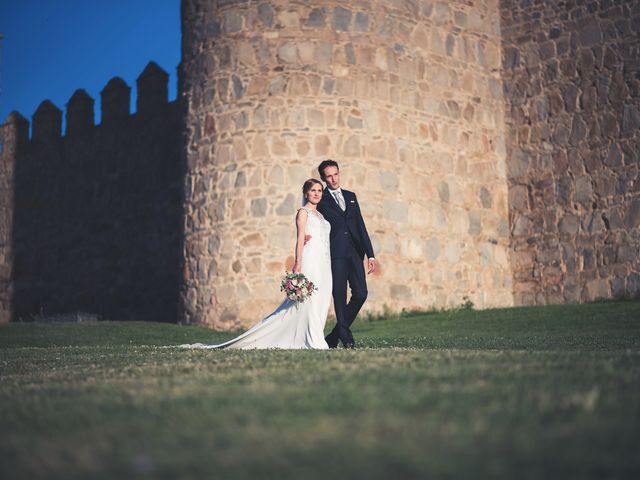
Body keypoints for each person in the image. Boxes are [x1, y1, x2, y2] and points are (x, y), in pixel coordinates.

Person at [181, 179, 332, 349]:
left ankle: (313, 333)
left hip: (324, 262)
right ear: (306, 193)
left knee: (321, 298)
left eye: (319, 190)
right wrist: (298, 262)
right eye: (313, 190)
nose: (317, 193)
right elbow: (300, 239)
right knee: (308, 300)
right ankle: (312, 338)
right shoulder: (303, 213)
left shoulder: (321, 215)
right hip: (310, 259)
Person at [315, 159, 375, 349]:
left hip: (355, 253)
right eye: (329, 176)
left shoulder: (351, 196)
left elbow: (360, 225)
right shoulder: (321, 199)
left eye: (336, 174)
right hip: (336, 254)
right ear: (323, 179)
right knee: (339, 296)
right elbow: (312, 222)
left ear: (339, 173)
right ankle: (346, 337)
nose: (333, 179)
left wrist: (370, 254)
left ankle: (334, 336)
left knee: (361, 293)